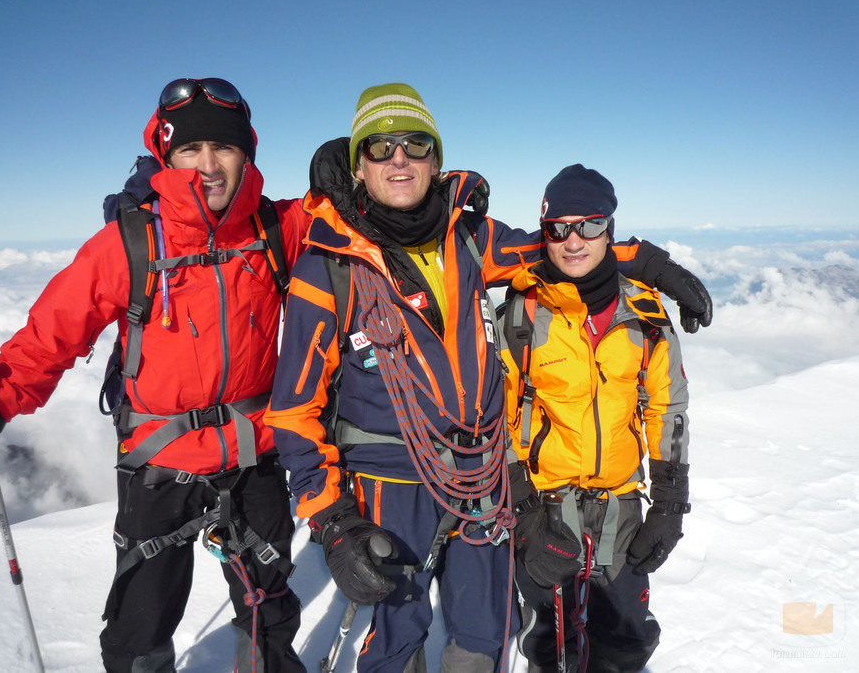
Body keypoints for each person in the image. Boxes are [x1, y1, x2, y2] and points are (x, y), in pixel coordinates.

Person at [264, 83, 708, 673]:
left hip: (481, 476)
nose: (400, 158)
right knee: (399, 631)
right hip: (388, 479)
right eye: (380, 146)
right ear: (359, 165)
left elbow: (560, 250)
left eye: (415, 143)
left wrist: (651, 262)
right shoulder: (328, 267)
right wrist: (332, 519)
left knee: (486, 630)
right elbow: (293, 411)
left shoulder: (469, 238)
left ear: (435, 159)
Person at [0, 78, 308, 672]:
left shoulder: (275, 230)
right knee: (140, 628)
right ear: (167, 155)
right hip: (158, 462)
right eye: (190, 150)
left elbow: (365, 209)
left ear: (247, 154)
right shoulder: (127, 244)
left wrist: (364, 162)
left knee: (270, 613)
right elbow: (45, 340)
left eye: (224, 148)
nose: (208, 165)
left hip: (255, 455)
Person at [502, 164, 692, 672]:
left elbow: (666, 407)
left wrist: (671, 501)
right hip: (546, 507)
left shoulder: (646, 314)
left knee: (626, 639)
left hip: (622, 507)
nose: (573, 240)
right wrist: (524, 516)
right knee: (548, 644)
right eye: (558, 227)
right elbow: (495, 419)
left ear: (609, 228)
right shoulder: (521, 316)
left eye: (588, 224)